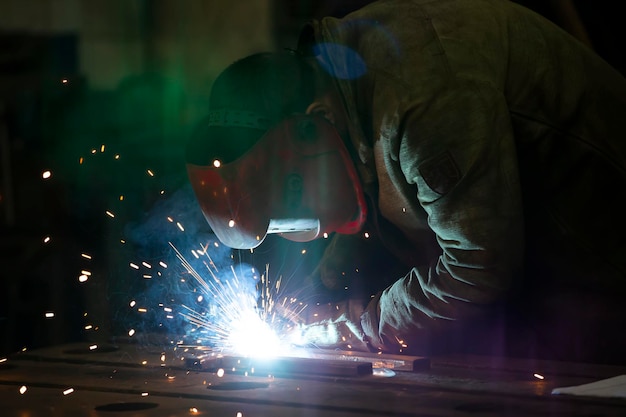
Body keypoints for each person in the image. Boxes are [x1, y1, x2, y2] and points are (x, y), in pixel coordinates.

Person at [185, 0, 626, 363]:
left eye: (293, 205)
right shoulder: (346, 87)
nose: (306, 229)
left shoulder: (420, 104)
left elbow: (476, 267)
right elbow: (381, 189)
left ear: (311, 127)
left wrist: (346, 330)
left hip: (601, 258)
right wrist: (321, 290)